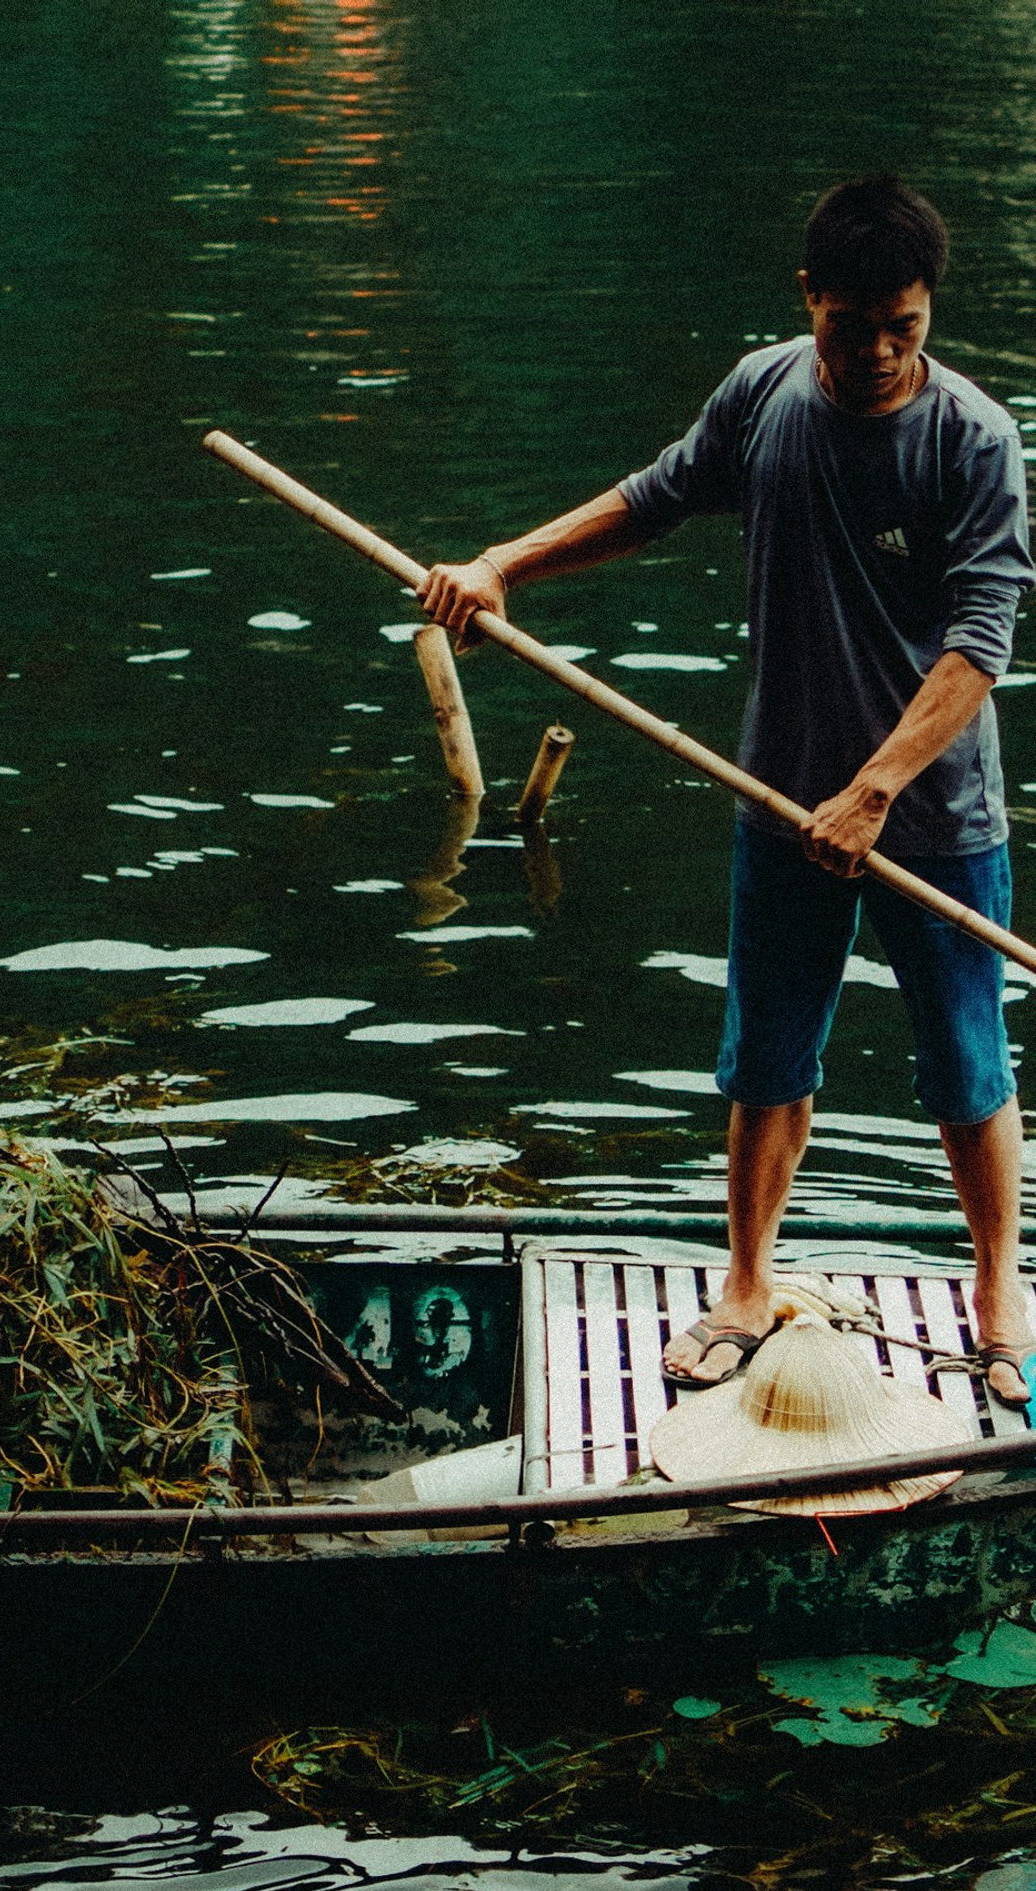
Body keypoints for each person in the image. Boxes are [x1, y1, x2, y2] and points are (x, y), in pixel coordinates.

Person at [419, 173, 1036, 1399]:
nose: (872, 351)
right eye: (847, 321)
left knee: (968, 1067)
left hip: (930, 816)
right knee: (764, 1056)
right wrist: (501, 565)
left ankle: (996, 1285)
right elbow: (654, 498)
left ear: (928, 312)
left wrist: (874, 790)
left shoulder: (973, 440)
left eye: (900, 326)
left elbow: (981, 641)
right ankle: (746, 1283)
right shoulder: (761, 394)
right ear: (808, 296)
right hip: (781, 800)